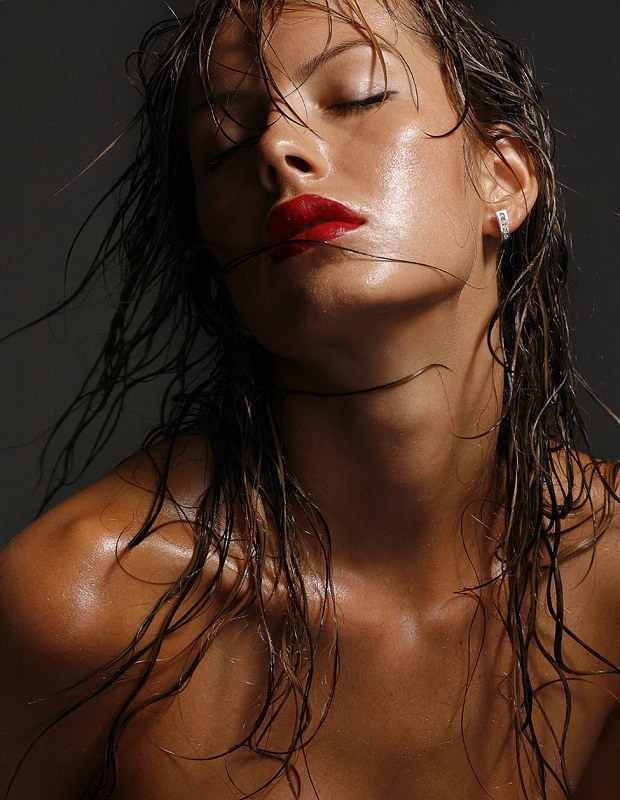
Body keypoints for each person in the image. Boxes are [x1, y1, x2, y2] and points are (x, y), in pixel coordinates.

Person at [1, 0, 619, 797]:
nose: (276, 148)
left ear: (503, 177)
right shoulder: (88, 599)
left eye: (356, 95)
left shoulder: (607, 573)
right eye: (224, 147)